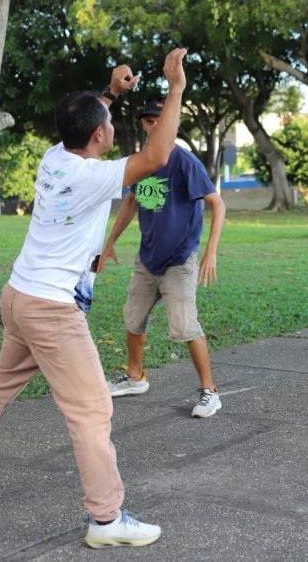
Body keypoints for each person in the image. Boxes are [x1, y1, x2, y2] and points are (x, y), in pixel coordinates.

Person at [0, 49, 189, 549]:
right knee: (92, 410)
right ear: (101, 136)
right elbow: (156, 157)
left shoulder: (55, 156)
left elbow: (81, 119)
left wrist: (109, 93)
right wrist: (174, 89)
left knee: (3, 382)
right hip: (49, 309)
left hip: (19, 295)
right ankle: (106, 520)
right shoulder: (92, 175)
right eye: (107, 121)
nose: (108, 126)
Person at [98, 96, 226, 418]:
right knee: (132, 318)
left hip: (179, 261)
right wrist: (110, 240)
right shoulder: (142, 162)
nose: (154, 125)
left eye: (159, 120)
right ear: (144, 124)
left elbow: (217, 204)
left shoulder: (185, 162)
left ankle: (210, 392)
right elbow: (131, 203)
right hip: (148, 260)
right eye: (149, 121)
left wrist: (210, 251)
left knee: (185, 326)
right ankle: (135, 377)